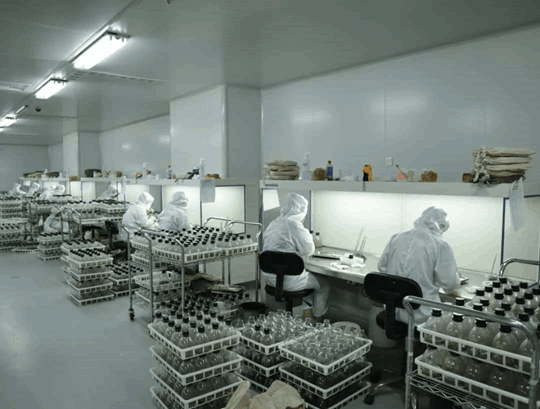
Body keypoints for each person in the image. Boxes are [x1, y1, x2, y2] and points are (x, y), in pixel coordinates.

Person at [378, 206, 461, 324]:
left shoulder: (396, 238)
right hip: (422, 316)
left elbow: (382, 267)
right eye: (443, 229)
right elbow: (450, 284)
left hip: (392, 310)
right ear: (441, 226)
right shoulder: (440, 244)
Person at [262, 192, 330, 320]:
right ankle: (318, 321)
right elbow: (309, 250)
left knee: (310, 281)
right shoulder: (294, 224)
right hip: (289, 281)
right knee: (323, 285)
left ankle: (305, 316)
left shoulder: (273, 223)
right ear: (301, 210)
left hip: (270, 279)